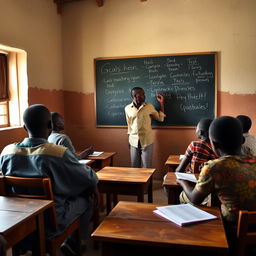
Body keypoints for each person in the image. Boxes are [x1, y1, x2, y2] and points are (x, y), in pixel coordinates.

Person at [0, 104, 98, 256]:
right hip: (51, 224)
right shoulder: (57, 153)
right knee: (87, 198)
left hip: (18, 224)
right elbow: (90, 179)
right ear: (50, 125)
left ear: (25, 127)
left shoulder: (7, 152)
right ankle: (75, 243)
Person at [177, 116, 256, 250]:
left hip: (231, 232)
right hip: (253, 230)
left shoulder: (215, 167)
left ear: (213, 144)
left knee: (183, 196)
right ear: (242, 140)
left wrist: (182, 182)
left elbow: (195, 199)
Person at [125, 87, 165, 168]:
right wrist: (128, 140)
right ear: (135, 96)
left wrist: (161, 103)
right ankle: (135, 181)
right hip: (133, 141)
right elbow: (129, 126)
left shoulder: (149, 106)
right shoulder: (127, 108)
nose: (144, 96)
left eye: (144, 94)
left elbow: (160, 119)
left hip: (147, 141)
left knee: (147, 167)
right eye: (142, 94)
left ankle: (148, 181)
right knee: (134, 167)